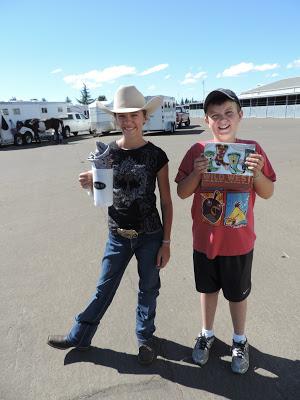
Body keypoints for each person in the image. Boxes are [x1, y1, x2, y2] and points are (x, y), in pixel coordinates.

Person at [47, 85, 173, 365]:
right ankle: (80, 335)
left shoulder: (157, 156)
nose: (127, 122)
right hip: (117, 234)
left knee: (148, 289)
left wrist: (166, 242)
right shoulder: (106, 153)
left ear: (144, 117)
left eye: (133, 116)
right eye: (121, 116)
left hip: (150, 235)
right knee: (103, 288)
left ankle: (145, 339)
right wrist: (89, 184)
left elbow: (166, 202)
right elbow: (102, 195)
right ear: (116, 119)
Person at [175, 88, 276, 374]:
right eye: (215, 115)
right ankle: (206, 333)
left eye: (229, 113)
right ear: (207, 120)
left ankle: (239, 340)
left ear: (240, 116)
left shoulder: (253, 150)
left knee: (237, 294)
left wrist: (257, 173)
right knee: (207, 290)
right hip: (204, 241)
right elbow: (182, 192)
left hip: (239, 242)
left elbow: (268, 192)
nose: (222, 119)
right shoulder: (197, 152)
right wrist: (196, 173)